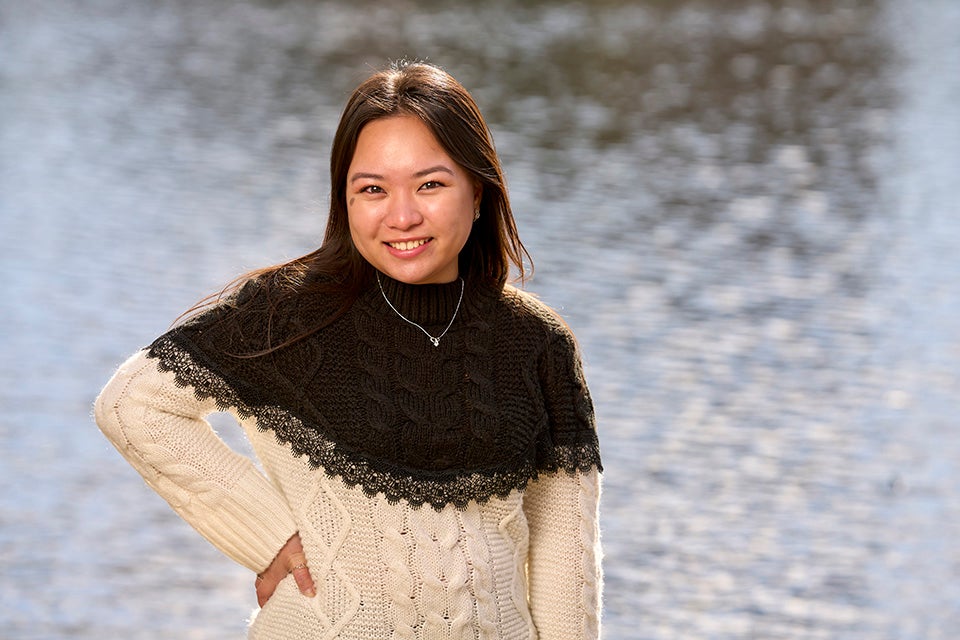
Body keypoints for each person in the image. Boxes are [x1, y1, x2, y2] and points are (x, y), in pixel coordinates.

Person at [95, 60, 602, 639]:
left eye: (430, 184)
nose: (402, 215)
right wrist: (268, 536)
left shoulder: (537, 343)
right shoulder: (287, 315)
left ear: (478, 190)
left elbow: (565, 555)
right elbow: (134, 404)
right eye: (372, 190)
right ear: (345, 200)